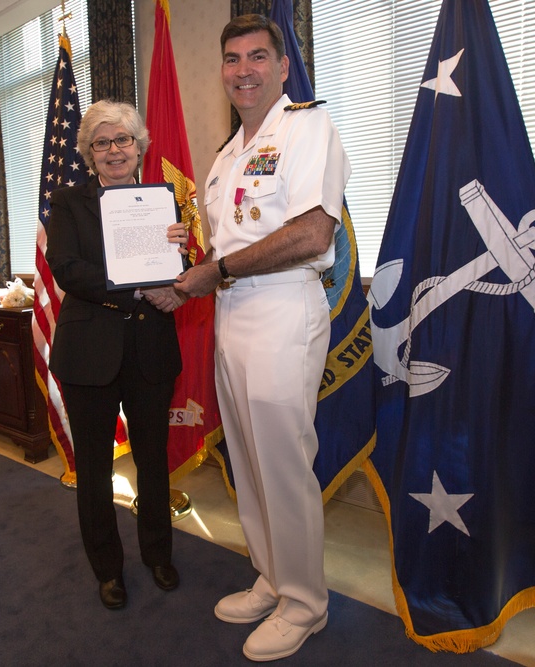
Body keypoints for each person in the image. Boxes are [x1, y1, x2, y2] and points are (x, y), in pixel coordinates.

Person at [173, 14, 350, 662]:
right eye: (231, 58)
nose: (243, 69)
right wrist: (187, 260)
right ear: (222, 71)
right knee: (247, 461)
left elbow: (311, 235)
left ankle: (306, 603)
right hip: (231, 313)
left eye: (256, 56)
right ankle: (272, 576)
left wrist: (214, 270)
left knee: (283, 465)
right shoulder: (225, 158)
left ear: (281, 67)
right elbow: (223, 245)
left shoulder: (307, 128)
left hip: (282, 311)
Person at [47, 99, 189, 610]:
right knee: (94, 468)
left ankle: (157, 554)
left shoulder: (164, 199)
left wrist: (182, 278)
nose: (114, 151)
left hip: (150, 347)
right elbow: (65, 266)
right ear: (87, 152)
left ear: (139, 146)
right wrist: (130, 290)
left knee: (153, 461)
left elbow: (179, 263)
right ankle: (107, 568)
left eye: (123, 140)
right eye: (102, 143)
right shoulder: (67, 203)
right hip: (89, 352)